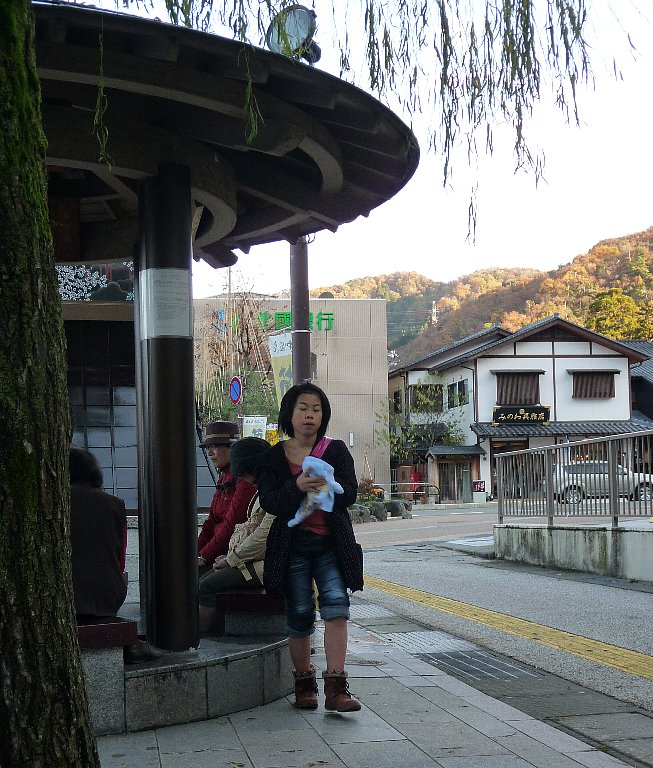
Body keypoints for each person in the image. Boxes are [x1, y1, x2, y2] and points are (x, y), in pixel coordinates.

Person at [257, 383, 364, 712]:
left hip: (331, 544)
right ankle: (304, 684)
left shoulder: (336, 450)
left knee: (337, 606)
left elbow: (349, 494)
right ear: (289, 414)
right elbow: (271, 502)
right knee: (300, 612)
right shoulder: (273, 457)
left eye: (316, 409)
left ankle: (336, 688)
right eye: (303, 408)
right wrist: (297, 485)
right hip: (292, 547)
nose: (310, 415)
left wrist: (331, 486)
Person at [69, 447, 161, 663]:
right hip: (108, 595)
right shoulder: (115, 504)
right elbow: (120, 558)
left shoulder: (53, 501)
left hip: (68, 595)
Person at [198, 436, 272, 633]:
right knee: (204, 577)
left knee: (207, 584)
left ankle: (201, 636)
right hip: (254, 558)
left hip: (272, 564)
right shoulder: (261, 487)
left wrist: (230, 559)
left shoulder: (269, 491)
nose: (210, 453)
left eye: (215, 447)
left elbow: (261, 537)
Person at [197, 421, 257, 573]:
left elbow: (231, 525)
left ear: (232, 448)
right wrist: (196, 552)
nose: (210, 453)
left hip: (233, 554)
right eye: (208, 448)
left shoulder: (245, 480)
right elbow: (211, 521)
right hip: (218, 553)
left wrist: (204, 556)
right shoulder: (224, 478)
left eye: (214, 447)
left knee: (201, 582)